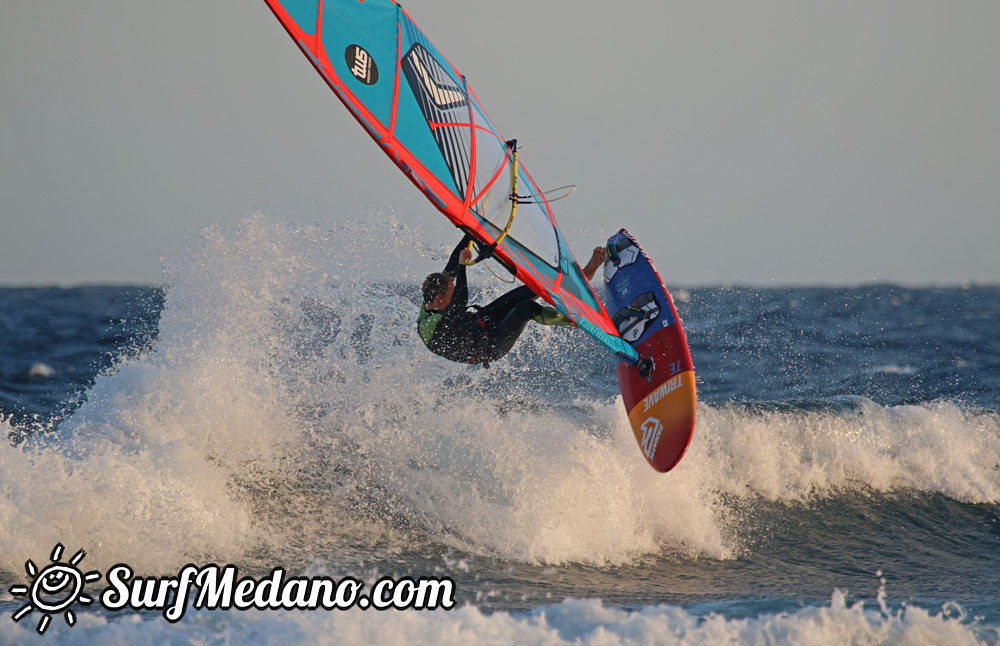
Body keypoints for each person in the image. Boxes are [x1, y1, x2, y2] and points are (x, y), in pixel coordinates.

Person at [417, 234, 607, 366]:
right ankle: (574, 321)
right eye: (451, 290)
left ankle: (584, 276)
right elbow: (460, 301)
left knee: (536, 286)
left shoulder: (434, 297)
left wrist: (470, 235)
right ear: (440, 298)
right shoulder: (434, 325)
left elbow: (451, 268)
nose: (453, 288)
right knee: (526, 308)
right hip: (491, 344)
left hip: (483, 320)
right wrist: (463, 267)